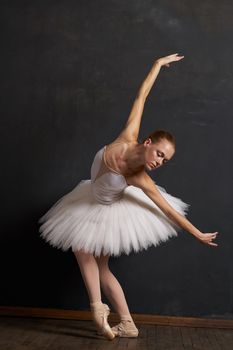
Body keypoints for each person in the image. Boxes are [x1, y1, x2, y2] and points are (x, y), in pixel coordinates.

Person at [38, 53, 219, 341]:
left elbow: (168, 212)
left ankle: (98, 309)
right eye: (160, 153)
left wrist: (196, 233)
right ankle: (128, 323)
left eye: (166, 160)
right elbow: (142, 95)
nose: (160, 161)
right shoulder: (128, 135)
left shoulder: (140, 177)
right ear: (147, 143)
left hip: (105, 211)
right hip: (88, 199)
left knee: (82, 250)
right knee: (100, 266)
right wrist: (157, 65)